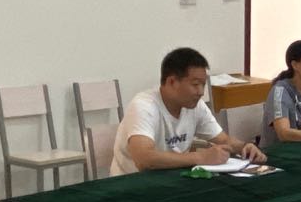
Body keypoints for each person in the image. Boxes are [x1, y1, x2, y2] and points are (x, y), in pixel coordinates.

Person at [109, 47, 266, 175]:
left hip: (173, 180)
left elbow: (224, 139)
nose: (201, 92)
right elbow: (144, 160)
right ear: (172, 81)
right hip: (131, 186)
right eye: (195, 84)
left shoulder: (196, 106)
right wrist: (201, 157)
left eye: (203, 85)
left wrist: (245, 147)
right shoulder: (144, 106)